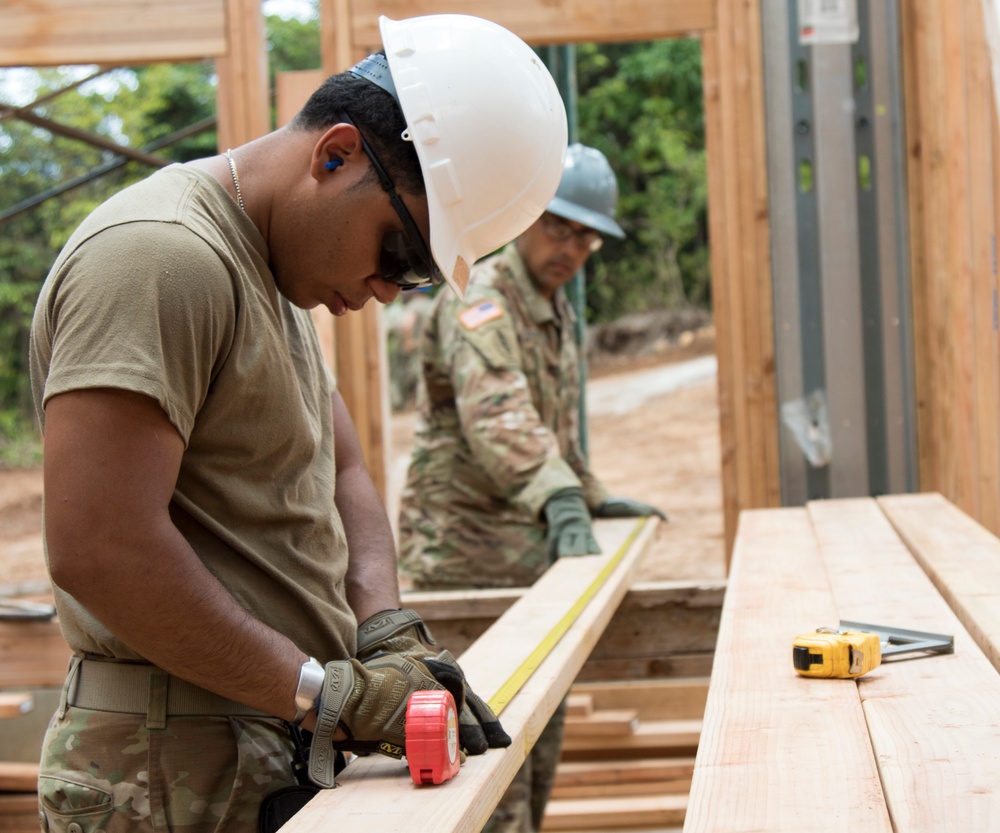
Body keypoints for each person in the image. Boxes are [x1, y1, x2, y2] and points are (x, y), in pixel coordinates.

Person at [29, 13, 567, 833]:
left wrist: (383, 628)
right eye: (399, 253)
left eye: (417, 276)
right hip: (164, 774)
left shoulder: (268, 277)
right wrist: (330, 693)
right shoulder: (160, 256)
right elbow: (100, 546)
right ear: (336, 153)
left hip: (259, 742)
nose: (389, 290)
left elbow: (344, 468)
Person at [397, 143, 666, 833]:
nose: (573, 248)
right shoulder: (483, 299)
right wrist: (558, 497)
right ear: (526, 219)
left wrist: (588, 490)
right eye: (560, 227)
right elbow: (497, 411)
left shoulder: (554, 310)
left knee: (539, 740)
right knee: (489, 764)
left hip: (524, 555)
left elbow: (556, 428)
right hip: (461, 556)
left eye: (588, 236)